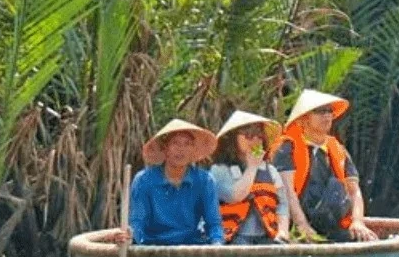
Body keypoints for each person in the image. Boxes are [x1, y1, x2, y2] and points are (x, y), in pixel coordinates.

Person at [272, 89, 379, 243]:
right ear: (303, 118)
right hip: (294, 225)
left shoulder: (338, 149)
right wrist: (302, 225)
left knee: (368, 241)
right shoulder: (287, 147)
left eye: (329, 111)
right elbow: (287, 191)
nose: (327, 115)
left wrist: (357, 222)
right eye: (320, 111)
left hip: (332, 223)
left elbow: (354, 191)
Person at [211, 110, 303, 245]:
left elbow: (282, 204)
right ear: (232, 139)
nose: (255, 140)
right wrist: (252, 167)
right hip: (233, 238)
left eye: (259, 136)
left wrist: (283, 232)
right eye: (248, 135)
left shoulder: (271, 171)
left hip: (267, 236)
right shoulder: (219, 170)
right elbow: (234, 196)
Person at [128, 119, 224, 245]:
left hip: (192, 247)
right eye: (175, 143)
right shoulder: (143, 180)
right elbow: (137, 222)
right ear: (165, 148)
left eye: (187, 144)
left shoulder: (205, 180)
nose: (181, 149)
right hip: (153, 248)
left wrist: (217, 245)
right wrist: (130, 237)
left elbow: (213, 223)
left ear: (193, 150)